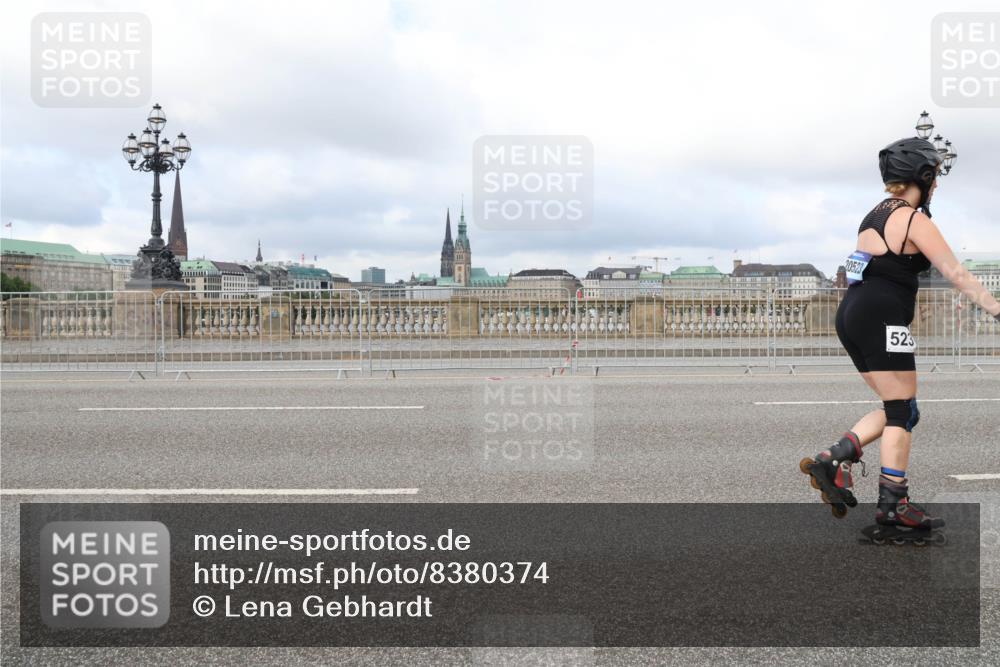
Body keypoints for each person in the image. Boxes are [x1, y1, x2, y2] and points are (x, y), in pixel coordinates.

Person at [800, 135, 1000, 536]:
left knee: (901, 409)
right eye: (936, 176)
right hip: (882, 318)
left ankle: (834, 458)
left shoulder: (872, 216)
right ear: (921, 176)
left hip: (852, 314)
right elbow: (956, 273)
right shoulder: (913, 219)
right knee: (900, 410)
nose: (938, 185)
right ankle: (893, 506)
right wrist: (996, 308)